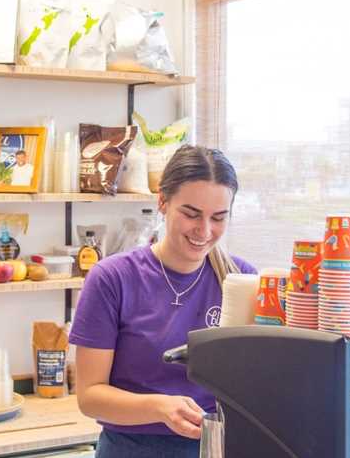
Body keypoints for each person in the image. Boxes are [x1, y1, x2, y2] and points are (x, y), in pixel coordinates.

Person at [70, 145, 256, 458]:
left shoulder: (242, 280)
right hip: (130, 450)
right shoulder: (112, 278)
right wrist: (158, 407)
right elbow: (89, 396)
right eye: (191, 214)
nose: (204, 230)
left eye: (219, 217)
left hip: (216, 448)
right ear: (162, 202)